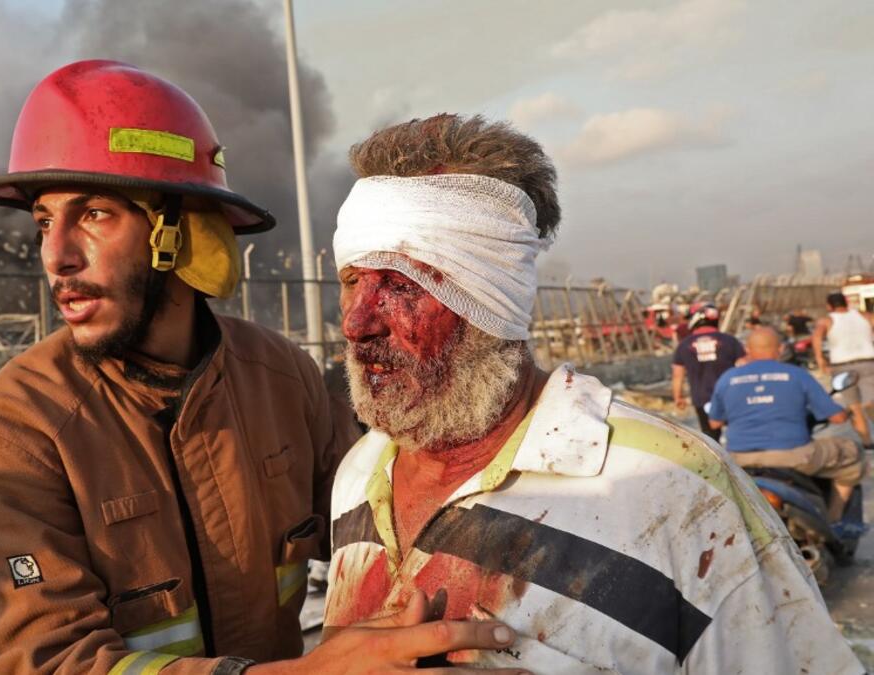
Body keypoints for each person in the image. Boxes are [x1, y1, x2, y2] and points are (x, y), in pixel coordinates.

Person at [0, 61, 520, 675]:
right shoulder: (10, 434)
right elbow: (48, 663)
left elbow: (381, 533)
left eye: (93, 215)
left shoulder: (281, 379)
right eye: (43, 222)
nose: (55, 256)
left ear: (180, 233)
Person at [322, 113, 861, 673]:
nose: (357, 323)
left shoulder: (672, 491)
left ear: (493, 300)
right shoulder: (361, 472)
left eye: (403, 285)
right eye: (351, 281)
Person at [712, 327, 867, 523]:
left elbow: (714, 421)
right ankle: (834, 522)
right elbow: (837, 417)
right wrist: (845, 413)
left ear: (747, 350)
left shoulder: (727, 378)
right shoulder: (796, 374)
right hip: (794, 456)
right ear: (780, 348)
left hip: (740, 459)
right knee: (853, 453)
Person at [671, 302, 744, 442]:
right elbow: (745, 367)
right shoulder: (730, 341)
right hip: (731, 397)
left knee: (711, 441)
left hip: (701, 399)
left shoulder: (684, 345)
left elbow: (677, 375)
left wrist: (677, 397)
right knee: (738, 435)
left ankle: (718, 464)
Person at [813, 292, 874, 446]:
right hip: (868, 363)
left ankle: (867, 443)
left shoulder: (828, 320)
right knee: (870, 402)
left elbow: (817, 336)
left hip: (842, 367)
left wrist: (820, 359)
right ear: (846, 302)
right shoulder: (864, 316)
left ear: (829, 306)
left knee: (854, 407)